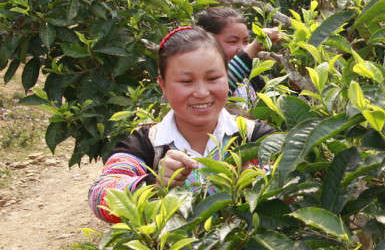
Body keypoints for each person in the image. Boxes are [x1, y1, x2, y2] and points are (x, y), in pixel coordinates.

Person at [88, 26, 276, 223]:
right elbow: (99, 195)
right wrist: (153, 184)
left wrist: (257, 179)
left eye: (213, 78)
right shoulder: (148, 144)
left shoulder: (254, 136)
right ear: (163, 86)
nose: (202, 92)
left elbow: (299, 176)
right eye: (186, 81)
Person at [195, 6, 282, 106]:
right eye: (233, 41)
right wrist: (253, 48)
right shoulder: (198, 78)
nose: (242, 49)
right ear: (207, 42)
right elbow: (221, 88)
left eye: (245, 41)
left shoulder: (250, 76)